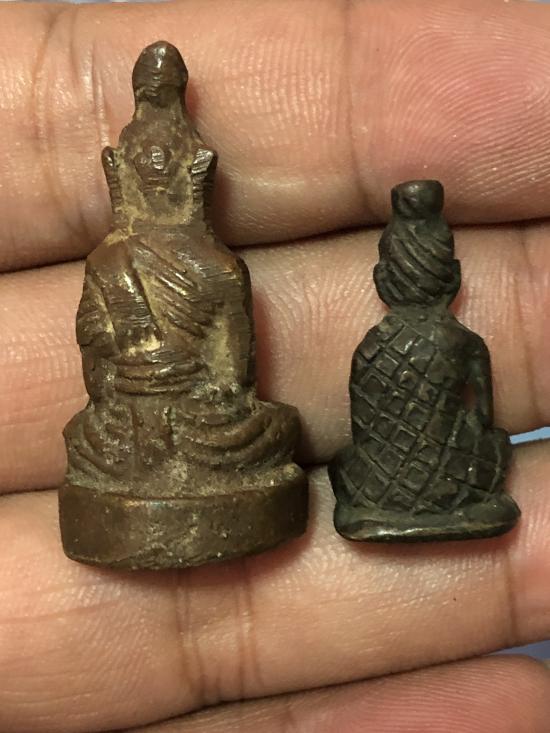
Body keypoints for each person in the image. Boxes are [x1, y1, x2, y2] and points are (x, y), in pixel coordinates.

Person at [0, 0, 549, 731]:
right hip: (129, 421)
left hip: (199, 425)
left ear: (197, 174)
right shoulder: (112, 263)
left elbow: (234, 373)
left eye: (170, 173)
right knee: (97, 435)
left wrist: (211, 394)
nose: (159, 185)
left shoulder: (220, 268)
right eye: (144, 172)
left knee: (264, 429)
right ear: (120, 174)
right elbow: (95, 350)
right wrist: (124, 376)